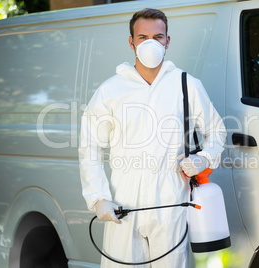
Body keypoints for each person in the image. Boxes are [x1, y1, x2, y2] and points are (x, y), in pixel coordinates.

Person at [79, 8, 226, 268]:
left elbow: (217, 131)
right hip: (124, 207)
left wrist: (203, 159)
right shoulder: (110, 90)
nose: (150, 43)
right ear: (131, 42)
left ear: (168, 41)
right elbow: (90, 146)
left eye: (158, 37)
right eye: (143, 36)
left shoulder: (186, 85)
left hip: (170, 204)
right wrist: (99, 198)